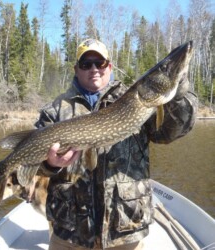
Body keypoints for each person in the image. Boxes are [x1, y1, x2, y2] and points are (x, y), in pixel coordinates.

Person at [35, 39, 198, 250]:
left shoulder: (137, 99)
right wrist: (50, 164)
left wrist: (178, 95)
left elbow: (171, 132)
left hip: (126, 228)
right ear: (76, 69)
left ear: (109, 67)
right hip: (70, 232)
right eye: (86, 63)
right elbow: (32, 168)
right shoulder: (54, 111)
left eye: (100, 63)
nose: (94, 68)